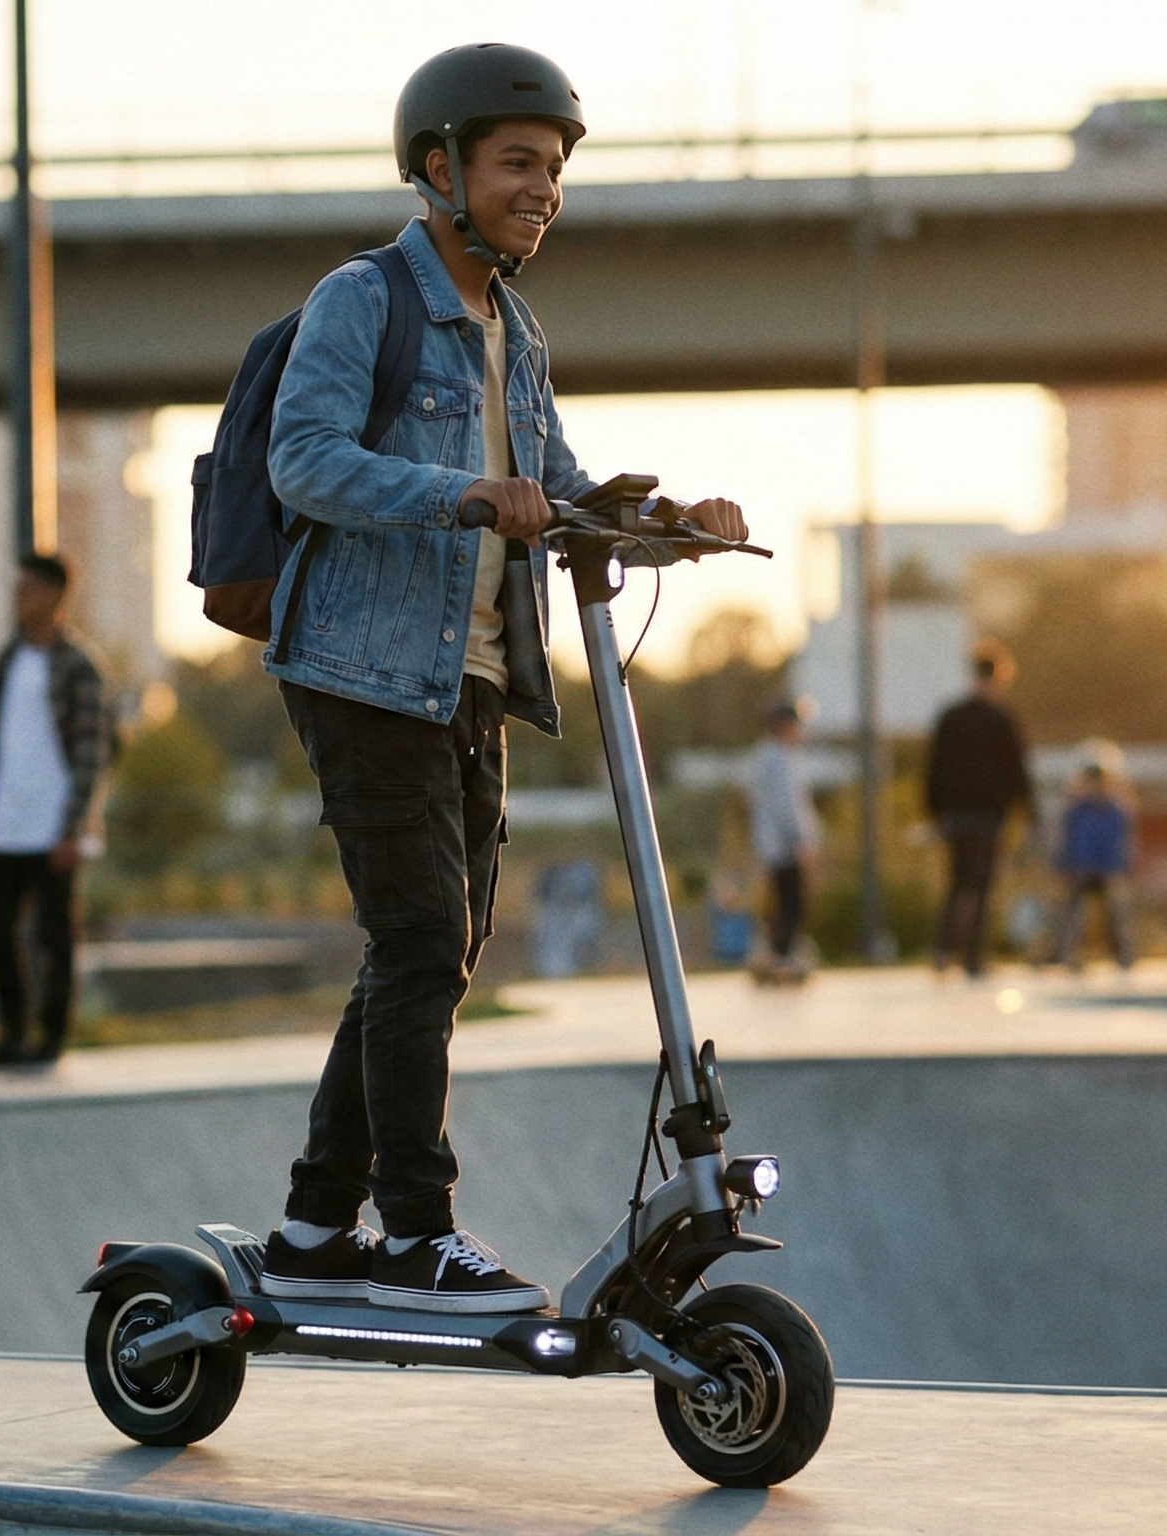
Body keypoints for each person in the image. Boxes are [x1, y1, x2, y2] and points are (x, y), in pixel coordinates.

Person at [255, 44, 751, 1315]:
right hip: (363, 670)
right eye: (518, 163)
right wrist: (462, 493)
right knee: (419, 941)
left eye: (557, 170)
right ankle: (417, 1237)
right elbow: (301, 461)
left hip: (473, 679)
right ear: (438, 167)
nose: (544, 188)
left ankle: (316, 1229)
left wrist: (664, 516)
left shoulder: (514, 329)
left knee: (432, 951)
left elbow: (561, 486)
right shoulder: (360, 299)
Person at [0, 554, 107, 1067]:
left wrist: (73, 828)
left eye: (29, 590)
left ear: (55, 596)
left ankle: (52, 1037)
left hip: (53, 828)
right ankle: (12, 1034)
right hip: (3, 823)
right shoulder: (7, 660)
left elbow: (91, 754)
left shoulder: (79, 666)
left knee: (53, 938)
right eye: (16, 589)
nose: (20, 599)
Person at [924, 639, 1033, 980]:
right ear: (1000, 677)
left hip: (955, 814)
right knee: (982, 885)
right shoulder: (1002, 720)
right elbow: (1017, 769)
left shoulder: (950, 718)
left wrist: (934, 810)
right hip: (988, 815)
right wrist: (1028, 810)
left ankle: (943, 950)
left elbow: (934, 767)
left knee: (957, 883)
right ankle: (972, 957)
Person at [749, 697, 822, 985]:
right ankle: (782, 953)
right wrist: (802, 841)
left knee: (782, 898)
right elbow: (789, 806)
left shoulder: (766, 756)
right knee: (793, 900)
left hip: (772, 842)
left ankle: (776, 951)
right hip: (785, 844)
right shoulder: (782, 758)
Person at [1051, 755, 1136, 974]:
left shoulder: (1117, 811)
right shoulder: (1076, 811)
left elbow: (1123, 843)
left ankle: (1122, 954)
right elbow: (1066, 840)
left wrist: (1122, 868)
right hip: (1080, 868)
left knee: (1116, 911)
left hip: (1108, 869)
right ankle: (1068, 954)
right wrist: (1063, 865)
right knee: (1074, 914)